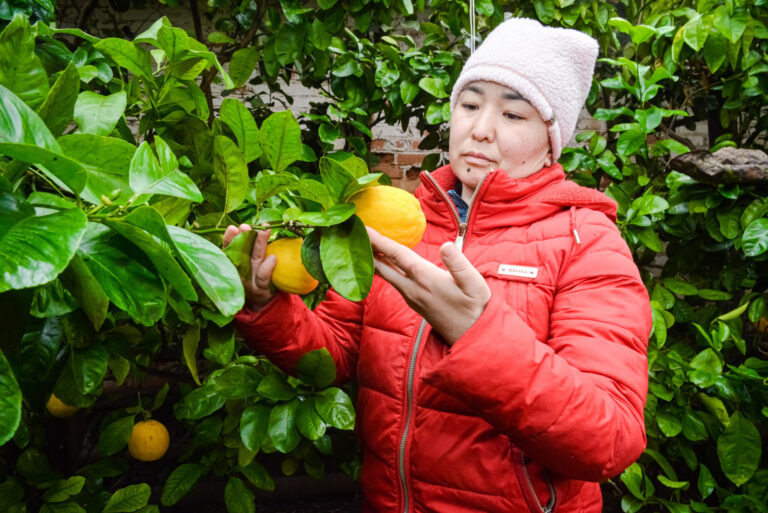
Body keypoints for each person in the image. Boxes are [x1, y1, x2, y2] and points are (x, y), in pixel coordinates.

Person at [227, 17, 651, 513]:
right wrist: (266, 308)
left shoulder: (585, 241)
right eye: (469, 105)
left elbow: (610, 439)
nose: (480, 129)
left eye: (513, 116)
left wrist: (477, 334)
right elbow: (338, 354)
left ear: (550, 138)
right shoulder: (398, 220)